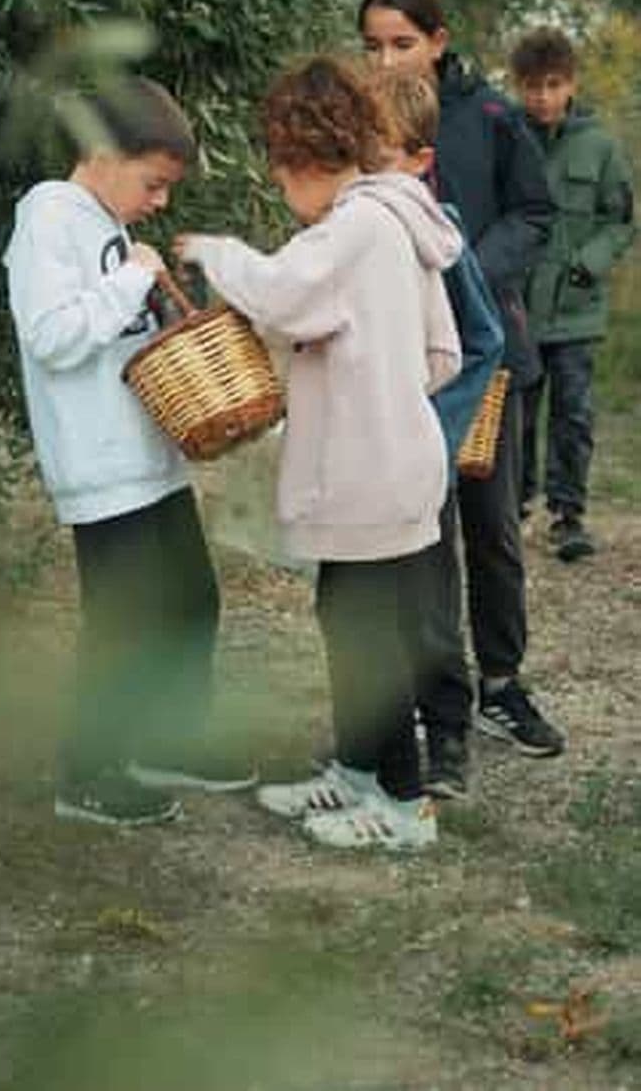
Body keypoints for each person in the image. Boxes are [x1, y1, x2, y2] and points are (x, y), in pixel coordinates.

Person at [175, 56, 463, 852]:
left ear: (302, 157)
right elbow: (442, 353)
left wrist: (214, 251)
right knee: (346, 620)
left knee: (369, 642)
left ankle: (405, 808)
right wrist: (374, 382)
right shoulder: (397, 220)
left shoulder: (356, 227)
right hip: (391, 461)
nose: (280, 188)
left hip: (370, 470)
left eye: (279, 170)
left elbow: (279, 293)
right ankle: (360, 771)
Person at [4, 77, 256, 828]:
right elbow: (50, 335)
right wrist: (130, 281)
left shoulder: (109, 225)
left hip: (151, 459)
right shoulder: (48, 214)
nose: (161, 200)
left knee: (191, 600)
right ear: (105, 154)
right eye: (154, 182)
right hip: (101, 465)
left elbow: (133, 342)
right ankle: (89, 774)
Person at [357, 0, 565, 779]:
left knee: (494, 530)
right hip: (400, 368)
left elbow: (535, 214)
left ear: (439, 41)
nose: (386, 61)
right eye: (373, 46)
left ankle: (501, 684)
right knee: (426, 539)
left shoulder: (492, 118)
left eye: (402, 44)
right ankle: (436, 708)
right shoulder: (359, 121)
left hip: (488, 358)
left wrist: (462, 273)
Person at [511, 26, 636, 561]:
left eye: (553, 84)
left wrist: (589, 265)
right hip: (519, 306)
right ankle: (513, 506)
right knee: (516, 412)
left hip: (576, 308)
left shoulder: (600, 146)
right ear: (519, 86)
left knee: (573, 413)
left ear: (571, 84)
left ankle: (568, 516)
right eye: (532, 86)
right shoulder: (508, 138)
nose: (543, 97)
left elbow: (620, 219)